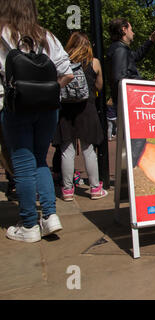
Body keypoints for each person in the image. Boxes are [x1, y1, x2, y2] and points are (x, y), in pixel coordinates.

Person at [0, 0, 74, 243]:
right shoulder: (46, 36)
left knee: (22, 164)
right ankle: (50, 216)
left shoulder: (1, 33)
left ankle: (29, 224)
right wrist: (48, 91)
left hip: (16, 108)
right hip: (47, 109)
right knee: (40, 160)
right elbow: (67, 73)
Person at [53, 31, 107, 201]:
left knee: (66, 150)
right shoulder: (94, 63)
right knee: (88, 150)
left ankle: (67, 190)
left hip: (66, 110)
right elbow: (99, 86)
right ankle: (95, 188)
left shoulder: (63, 63)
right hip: (87, 108)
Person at [106, 18, 155, 118]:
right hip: (128, 103)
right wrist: (146, 83)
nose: (133, 33)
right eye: (131, 29)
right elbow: (120, 78)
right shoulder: (120, 50)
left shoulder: (120, 49)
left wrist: (151, 40)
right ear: (124, 29)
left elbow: (137, 56)